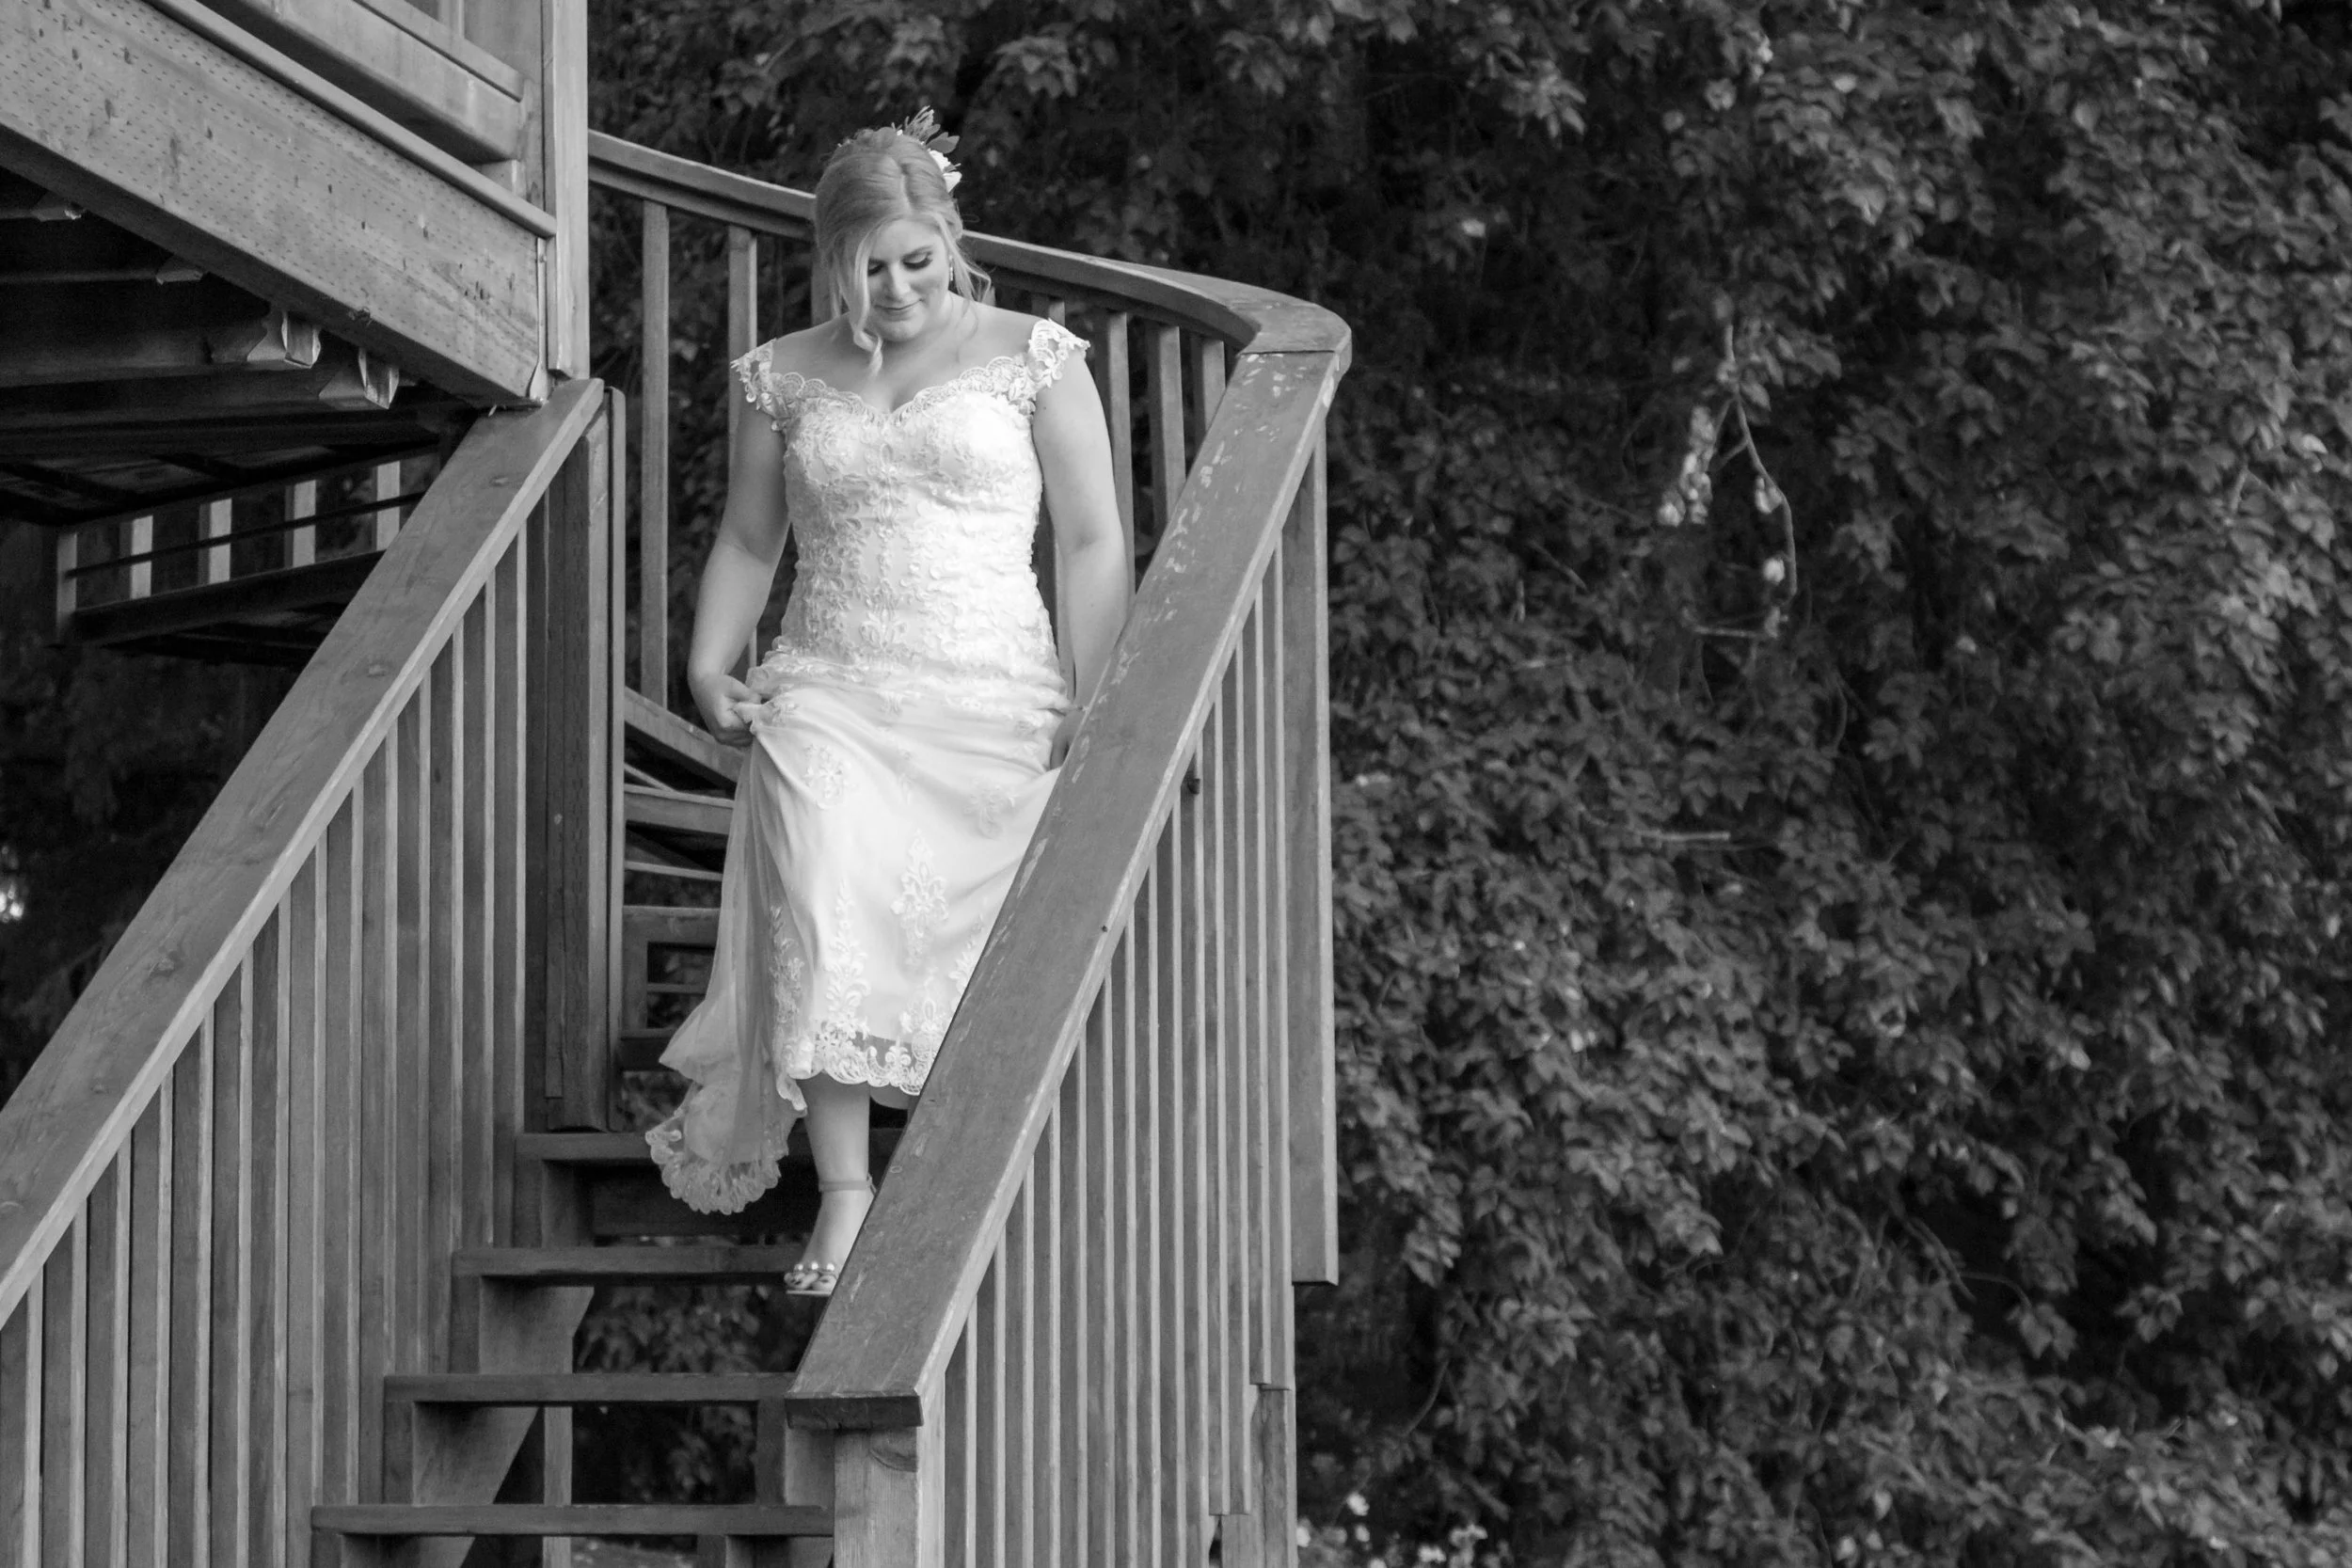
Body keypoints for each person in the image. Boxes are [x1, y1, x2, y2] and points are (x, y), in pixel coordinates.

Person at [644, 112, 1128, 1298]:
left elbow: (1091, 535)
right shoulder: (783, 376)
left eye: (918, 258)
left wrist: (1096, 688)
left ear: (950, 239)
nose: (899, 284)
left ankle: (982, 1159)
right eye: (873, 264)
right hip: (832, 685)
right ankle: (848, 1185)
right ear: (835, 259)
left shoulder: (1034, 358)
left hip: (994, 688)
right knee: (816, 845)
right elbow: (752, 539)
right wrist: (711, 660)